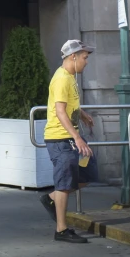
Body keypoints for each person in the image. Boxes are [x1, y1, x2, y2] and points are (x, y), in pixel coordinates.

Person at [39, 39, 99, 244]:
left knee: (89, 172)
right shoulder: (62, 79)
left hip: (68, 138)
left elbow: (67, 104)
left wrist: (81, 114)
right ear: (73, 57)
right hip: (60, 139)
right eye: (84, 57)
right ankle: (61, 230)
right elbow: (60, 111)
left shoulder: (70, 77)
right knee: (64, 183)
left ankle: (51, 198)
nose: (87, 61)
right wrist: (77, 136)